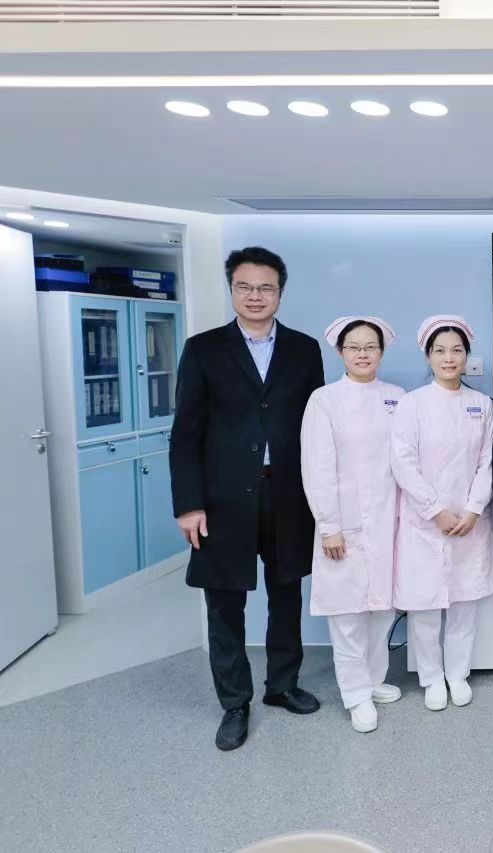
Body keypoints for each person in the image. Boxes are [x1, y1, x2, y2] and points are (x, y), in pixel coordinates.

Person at [170, 246, 325, 752]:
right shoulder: (203, 349)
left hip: (288, 493)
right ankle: (235, 703)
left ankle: (282, 685)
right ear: (232, 289)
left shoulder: (304, 349)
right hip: (221, 500)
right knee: (224, 602)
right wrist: (189, 503)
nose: (255, 296)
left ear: (280, 292)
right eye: (245, 286)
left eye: (265, 287)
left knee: (286, 593)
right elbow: (185, 432)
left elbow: (317, 427)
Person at [300, 316, 405, 733]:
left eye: (370, 347)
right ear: (340, 352)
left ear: (382, 352)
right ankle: (356, 695)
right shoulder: (324, 400)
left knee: (382, 610)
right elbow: (317, 467)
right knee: (346, 615)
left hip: (388, 521)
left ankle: (373, 680)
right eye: (354, 347)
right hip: (342, 524)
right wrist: (329, 525)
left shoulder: (396, 397)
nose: (363, 354)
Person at [392, 315, 493, 711]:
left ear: (467, 356)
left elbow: (488, 462)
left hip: (469, 522)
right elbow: (403, 462)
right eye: (440, 351)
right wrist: (434, 510)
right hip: (424, 522)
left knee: (464, 604)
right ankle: (432, 678)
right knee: (424, 606)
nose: (448, 358)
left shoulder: (481, 405)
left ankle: (457, 673)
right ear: (428, 356)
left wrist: (473, 509)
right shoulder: (412, 404)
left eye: (456, 350)